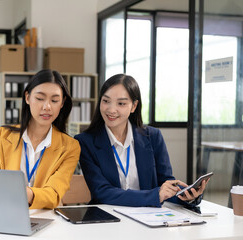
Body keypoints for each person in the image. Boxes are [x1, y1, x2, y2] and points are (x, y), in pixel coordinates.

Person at [75, 74, 207, 207]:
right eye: (106, 101)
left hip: (148, 218)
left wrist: (187, 196)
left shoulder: (153, 136)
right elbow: (102, 192)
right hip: (109, 219)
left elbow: (165, 185)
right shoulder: (85, 142)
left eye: (121, 103)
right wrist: (155, 195)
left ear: (134, 106)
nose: (111, 109)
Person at [0, 69, 80, 209]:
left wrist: (21, 192)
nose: (47, 107)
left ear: (63, 103)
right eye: (40, 98)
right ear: (27, 98)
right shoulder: (1, 136)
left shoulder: (70, 147)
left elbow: (53, 194)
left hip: (47, 218)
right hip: (5, 212)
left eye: (54, 100)